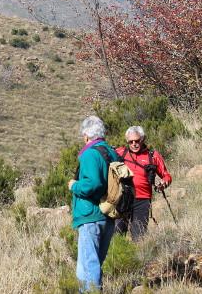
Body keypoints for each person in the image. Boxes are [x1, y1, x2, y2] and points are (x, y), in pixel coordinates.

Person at [68, 115, 121, 292]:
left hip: (90, 215)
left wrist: (74, 185)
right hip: (108, 214)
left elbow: (93, 184)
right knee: (95, 264)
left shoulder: (90, 154)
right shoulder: (112, 152)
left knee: (88, 267)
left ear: (86, 135)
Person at [114, 126, 172, 240]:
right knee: (116, 235)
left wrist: (164, 183)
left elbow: (166, 175)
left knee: (139, 236)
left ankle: (138, 252)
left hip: (142, 200)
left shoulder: (153, 155)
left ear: (143, 139)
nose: (134, 144)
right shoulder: (120, 152)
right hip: (122, 198)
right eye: (130, 142)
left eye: (137, 141)